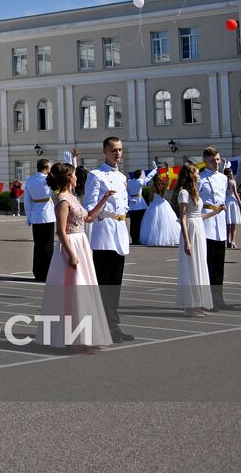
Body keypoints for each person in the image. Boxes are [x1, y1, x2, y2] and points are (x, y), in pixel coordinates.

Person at [38, 161, 110, 350]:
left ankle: (85, 335)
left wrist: (103, 199)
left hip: (82, 243)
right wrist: (72, 255)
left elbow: (88, 218)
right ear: (69, 177)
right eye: (74, 174)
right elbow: (61, 231)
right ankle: (75, 336)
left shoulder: (72, 196)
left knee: (85, 289)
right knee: (75, 291)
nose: (77, 176)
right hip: (71, 246)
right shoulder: (62, 200)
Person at [83, 137, 133, 343]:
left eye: (120, 150)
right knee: (104, 284)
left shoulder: (121, 176)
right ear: (105, 152)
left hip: (120, 232)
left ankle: (112, 324)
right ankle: (106, 325)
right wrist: (106, 210)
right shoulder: (96, 175)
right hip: (104, 232)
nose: (118, 154)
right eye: (114, 150)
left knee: (115, 284)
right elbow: (89, 206)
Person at [175, 163, 215, 316]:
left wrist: (216, 212)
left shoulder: (195, 193)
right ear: (191, 175)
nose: (199, 176)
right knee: (191, 266)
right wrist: (187, 240)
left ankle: (197, 304)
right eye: (197, 173)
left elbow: (198, 216)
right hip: (190, 230)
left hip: (198, 228)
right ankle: (190, 306)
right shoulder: (184, 193)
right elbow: (183, 217)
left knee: (199, 264)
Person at [198, 147, 234, 311]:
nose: (216, 163)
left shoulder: (222, 178)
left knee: (219, 265)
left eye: (218, 160)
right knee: (208, 264)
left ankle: (218, 298)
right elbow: (194, 199)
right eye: (213, 161)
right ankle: (206, 300)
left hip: (219, 221)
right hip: (206, 220)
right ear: (206, 161)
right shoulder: (200, 178)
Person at [24, 160, 54, 281]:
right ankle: (47, 273)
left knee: (38, 246)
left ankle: (38, 272)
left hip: (35, 215)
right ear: (46, 168)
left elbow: (27, 200)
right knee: (48, 246)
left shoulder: (30, 180)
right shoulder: (48, 180)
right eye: (50, 168)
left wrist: (28, 216)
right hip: (47, 214)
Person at [140, 167, 182, 247]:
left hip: (154, 204)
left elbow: (150, 198)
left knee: (153, 223)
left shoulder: (153, 188)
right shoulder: (163, 187)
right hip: (163, 203)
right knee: (167, 221)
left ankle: (156, 238)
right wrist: (167, 170)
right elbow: (167, 180)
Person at [126, 164, 157, 246]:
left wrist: (130, 199)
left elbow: (126, 192)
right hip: (140, 204)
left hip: (132, 205)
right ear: (140, 175)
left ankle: (134, 239)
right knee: (140, 222)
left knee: (133, 223)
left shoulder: (129, 182)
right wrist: (155, 169)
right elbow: (148, 177)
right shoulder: (140, 181)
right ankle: (139, 238)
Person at [225, 169, 241, 249]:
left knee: (227, 224)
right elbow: (236, 194)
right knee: (233, 224)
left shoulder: (223, 182)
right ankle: (233, 241)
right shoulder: (232, 182)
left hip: (226, 201)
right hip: (232, 202)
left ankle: (227, 240)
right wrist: (240, 203)